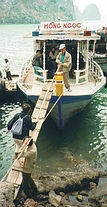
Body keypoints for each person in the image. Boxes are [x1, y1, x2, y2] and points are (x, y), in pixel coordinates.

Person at [13, 137, 37, 202]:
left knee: (25, 185)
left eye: (25, 143)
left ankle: (30, 197)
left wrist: (16, 153)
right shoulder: (32, 145)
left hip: (28, 169)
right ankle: (35, 190)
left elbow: (19, 155)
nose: (23, 143)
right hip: (30, 166)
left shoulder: (32, 151)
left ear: (28, 144)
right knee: (29, 178)